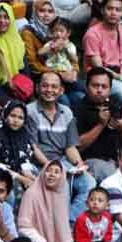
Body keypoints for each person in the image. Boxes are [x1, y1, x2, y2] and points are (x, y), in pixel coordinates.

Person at [26, 72, 96, 224]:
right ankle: (59, 226)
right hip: (39, 163)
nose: (49, 90)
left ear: (61, 90)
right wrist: (51, 166)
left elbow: (70, 147)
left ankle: (69, 222)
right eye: (45, 86)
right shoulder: (29, 111)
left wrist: (79, 164)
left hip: (62, 162)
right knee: (61, 182)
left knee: (89, 182)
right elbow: (33, 147)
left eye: (54, 87)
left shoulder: (66, 112)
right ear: (37, 88)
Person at [83, 0, 122, 105]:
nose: (113, 13)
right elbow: (99, 68)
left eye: (118, 10)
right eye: (110, 8)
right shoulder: (92, 34)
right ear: (102, 10)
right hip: (100, 78)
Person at [17, 161, 79, 242]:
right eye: (48, 170)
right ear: (43, 173)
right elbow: (24, 228)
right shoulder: (31, 194)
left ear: (62, 177)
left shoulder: (61, 197)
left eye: (56, 172)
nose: (52, 174)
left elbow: (65, 235)